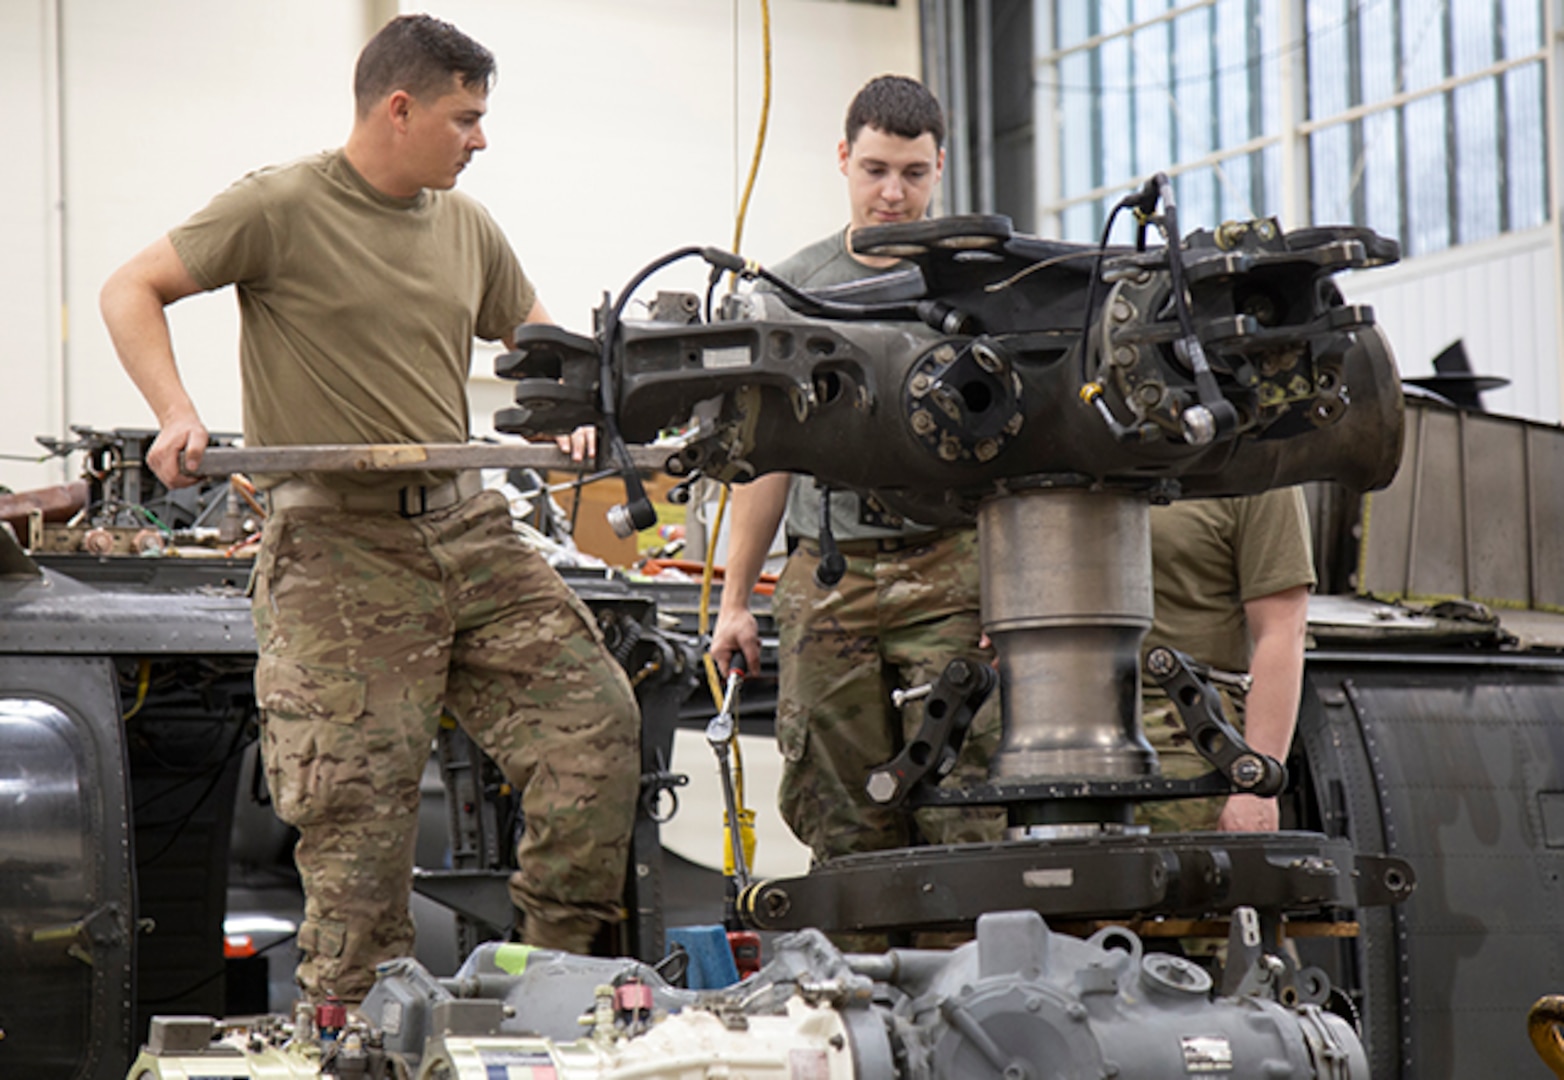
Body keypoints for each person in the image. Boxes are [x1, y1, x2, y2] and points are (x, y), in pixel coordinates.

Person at [99, 15, 640, 1004]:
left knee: (596, 727)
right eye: (465, 118)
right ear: (400, 107)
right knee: (358, 822)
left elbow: (537, 340)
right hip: (337, 550)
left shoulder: (465, 224)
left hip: (469, 533)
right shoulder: (279, 205)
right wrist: (176, 412)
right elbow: (132, 286)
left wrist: (576, 401)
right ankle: (357, 1032)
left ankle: (551, 976)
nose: (480, 139)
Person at [711, 75, 1005, 872]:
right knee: (840, 822)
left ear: (940, 167)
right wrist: (736, 601)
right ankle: (857, 979)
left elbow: (1027, 452)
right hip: (830, 576)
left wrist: (1017, 595)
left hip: (952, 569)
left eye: (912, 173)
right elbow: (761, 460)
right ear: (843, 158)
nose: (892, 193)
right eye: (875, 169)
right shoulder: (791, 293)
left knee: (963, 814)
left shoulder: (985, 293)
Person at [1138, 489, 1315, 833]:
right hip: (1038, 736)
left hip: (1186, 737)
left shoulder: (1254, 463)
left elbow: (1282, 628)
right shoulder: (1035, 444)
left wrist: (1256, 786)